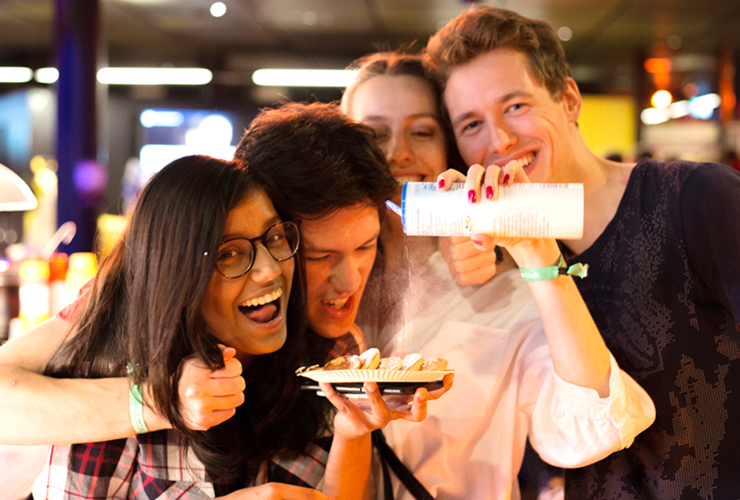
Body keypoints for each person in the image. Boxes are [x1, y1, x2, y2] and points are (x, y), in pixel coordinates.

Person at [424, 5, 740, 499]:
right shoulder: (497, 261)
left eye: (516, 107)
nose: (499, 142)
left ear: (568, 99)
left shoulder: (696, 199)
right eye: (471, 126)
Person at [6, 155, 425, 499]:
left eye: (276, 239)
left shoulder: (324, 358)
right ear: (176, 275)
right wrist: (165, 399)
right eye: (229, 254)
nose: (268, 271)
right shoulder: (113, 365)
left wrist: (353, 432)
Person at [339, 51, 655, 500]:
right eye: (374, 133)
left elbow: (593, 428)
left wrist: (534, 252)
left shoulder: (502, 291)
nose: (398, 152)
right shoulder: (317, 283)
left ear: (448, 148)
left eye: (422, 131)